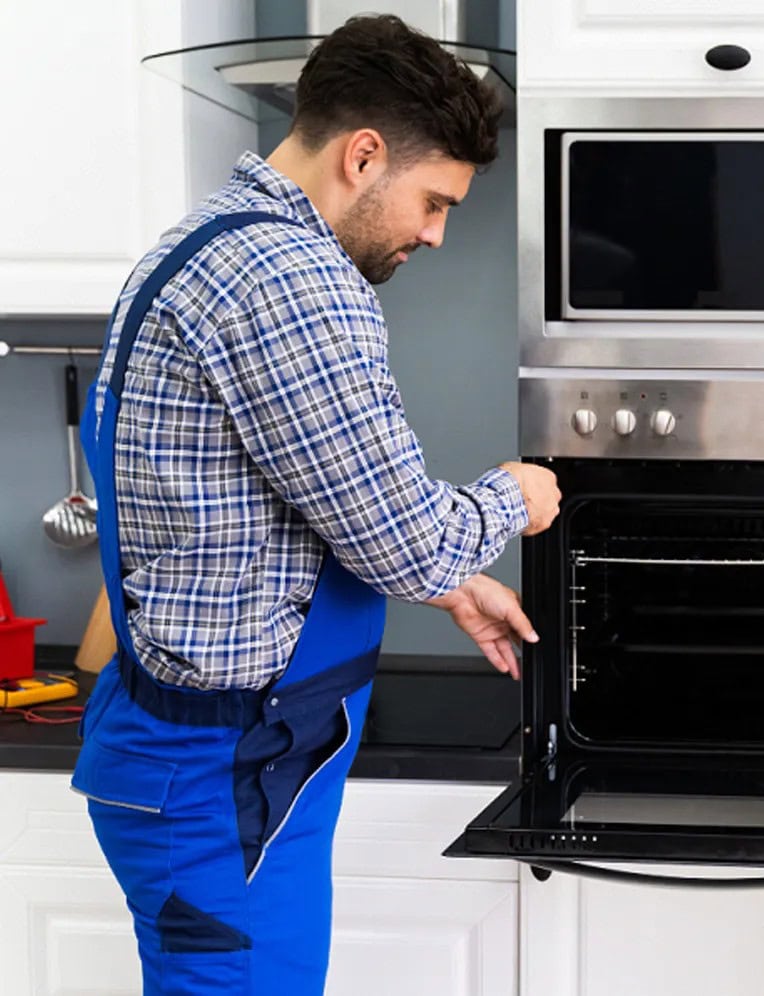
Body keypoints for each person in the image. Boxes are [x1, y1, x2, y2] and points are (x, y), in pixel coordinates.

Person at [71, 13, 560, 995]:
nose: (433, 231)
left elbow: (294, 505)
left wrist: (449, 582)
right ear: (363, 154)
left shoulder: (206, 243)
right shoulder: (290, 282)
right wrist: (513, 494)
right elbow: (406, 539)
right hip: (220, 779)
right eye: (431, 200)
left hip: (218, 766)